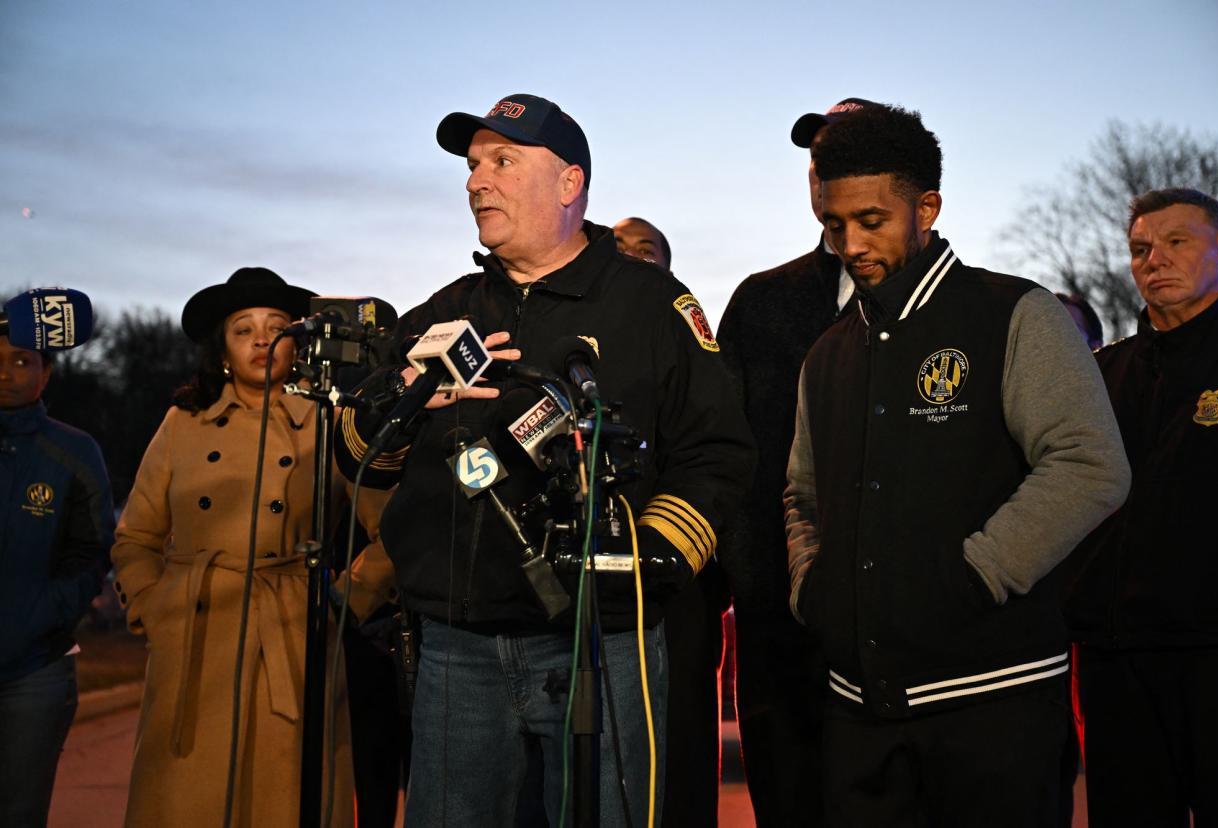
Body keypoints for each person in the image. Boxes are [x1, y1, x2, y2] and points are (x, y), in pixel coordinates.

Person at [335, 93, 754, 827]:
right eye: (472, 166)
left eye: (502, 162)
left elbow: (717, 453)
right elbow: (355, 455)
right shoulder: (443, 311)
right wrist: (394, 405)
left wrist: (653, 554)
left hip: (603, 641)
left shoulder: (653, 307)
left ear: (570, 184)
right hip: (455, 648)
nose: (475, 182)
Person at [784, 103, 1131, 825]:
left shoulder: (1014, 313)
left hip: (994, 705)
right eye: (833, 224)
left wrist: (975, 574)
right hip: (859, 716)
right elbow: (800, 494)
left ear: (927, 207)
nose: (850, 243)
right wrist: (809, 586)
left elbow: (1091, 465)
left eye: (871, 220)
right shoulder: (827, 353)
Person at [111, 267, 391, 826]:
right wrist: (153, 608)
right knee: (186, 802)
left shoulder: (333, 422)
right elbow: (136, 535)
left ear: (299, 344)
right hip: (194, 636)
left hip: (291, 638)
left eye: (277, 327)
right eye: (244, 329)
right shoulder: (182, 424)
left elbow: (393, 533)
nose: (263, 340)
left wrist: (340, 606)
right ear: (223, 348)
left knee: (284, 800)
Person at [1064, 188, 1218, 826]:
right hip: (1117, 661)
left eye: (1175, 243)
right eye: (1140, 249)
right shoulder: (1101, 375)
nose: (1153, 260)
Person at [714, 97, 864, 827]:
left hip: (912, 631)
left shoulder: (966, 310)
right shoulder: (761, 301)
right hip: (781, 626)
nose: (822, 174)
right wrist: (750, 580)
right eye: (816, 161)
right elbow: (727, 453)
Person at [612, 215, 728, 827]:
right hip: (595, 583)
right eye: (618, 247)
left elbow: (716, 453)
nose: (630, 254)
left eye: (646, 247)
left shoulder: (686, 334)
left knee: (678, 739)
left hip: (674, 577)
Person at [0, 332, 114, 828]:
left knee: (19, 813)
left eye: (22, 360)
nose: (5, 373)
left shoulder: (73, 452)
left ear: (46, 373)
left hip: (35, 670)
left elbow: (93, 551)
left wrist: (44, 614)